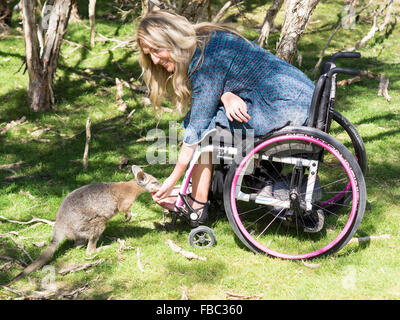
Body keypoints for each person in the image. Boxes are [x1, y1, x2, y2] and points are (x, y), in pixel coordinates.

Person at [136, 10, 314, 221]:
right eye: (149, 55)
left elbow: (197, 128)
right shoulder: (208, 40)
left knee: (205, 132)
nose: (155, 60)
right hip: (299, 98)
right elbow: (234, 76)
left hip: (284, 108)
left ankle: (197, 206)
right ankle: (196, 196)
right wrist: (227, 96)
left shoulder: (204, 61)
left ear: (173, 39)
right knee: (206, 124)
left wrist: (172, 180)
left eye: (157, 50)